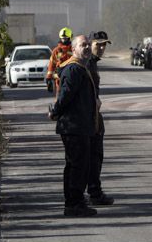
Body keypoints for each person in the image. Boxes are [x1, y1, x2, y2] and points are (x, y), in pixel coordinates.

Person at [48, 35, 100, 217]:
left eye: (87, 45)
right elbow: (65, 96)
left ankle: (74, 201)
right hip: (73, 127)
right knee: (78, 166)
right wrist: (55, 111)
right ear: (74, 49)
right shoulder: (74, 69)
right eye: (82, 45)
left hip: (79, 125)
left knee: (76, 165)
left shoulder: (80, 67)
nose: (86, 48)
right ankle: (74, 204)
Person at [85, 30, 115, 205]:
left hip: (93, 116)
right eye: (98, 44)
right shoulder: (87, 63)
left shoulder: (92, 63)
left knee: (95, 157)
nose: (102, 48)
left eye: (104, 45)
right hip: (88, 118)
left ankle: (94, 191)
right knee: (92, 158)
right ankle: (93, 194)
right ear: (90, 44)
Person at [46, 27, 74, 94]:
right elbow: (52, 64)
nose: (64, 40)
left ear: (70, 38)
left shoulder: (74, 49)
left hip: (73, 78)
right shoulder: (57, 51)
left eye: (66, 38)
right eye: (62, 38)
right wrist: (49, 79)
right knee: (60, 99)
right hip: (60, 80)